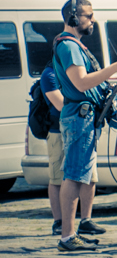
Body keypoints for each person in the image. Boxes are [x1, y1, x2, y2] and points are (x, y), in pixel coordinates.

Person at [54, 0, 117, 251]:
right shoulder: (68, 46)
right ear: (74, 18)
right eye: (88, 15)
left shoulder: (74, 46)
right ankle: (67, 236)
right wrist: (116, 67)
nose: (93, 19)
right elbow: (81, 83)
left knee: (80, 175)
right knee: (74, 176)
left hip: (83, 116)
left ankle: (72, 232)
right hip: (79, 117)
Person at [38, 65, 70, 236]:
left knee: (74, 177)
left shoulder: (73, 70)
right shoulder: (49, 73)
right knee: (57, 177)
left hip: (74, 129)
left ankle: (80, 220)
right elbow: (60, 105)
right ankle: (58, 221)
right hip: (57, 131)